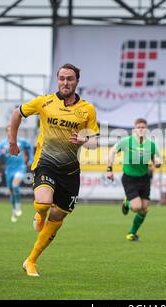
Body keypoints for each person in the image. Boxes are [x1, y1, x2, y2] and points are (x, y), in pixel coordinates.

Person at [9, 63, 99, 277]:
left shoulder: (87, 109)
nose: (65, 82)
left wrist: (83, 139)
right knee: (43, 203)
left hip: (70, 171)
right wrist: (12, 141)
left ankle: (31, 261)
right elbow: (17, 113)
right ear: (57, 80)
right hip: (46, 162)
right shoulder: (44, 102)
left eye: (70, 79)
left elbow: (94, 141)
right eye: (62, 78)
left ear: (77, 81)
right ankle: (39, 213)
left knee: (57, 218)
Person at [107, 118, 162, 241]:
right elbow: (112, 151)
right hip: (129, 178)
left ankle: (131, 233)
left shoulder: (151, 145)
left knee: (145, 209)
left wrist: (157, 163)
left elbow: (156, 159)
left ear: (146, 129)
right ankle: (126, 202)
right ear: (135, 129)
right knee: (137, 207)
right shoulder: (127, 141)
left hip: (144, 179)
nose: (141, 129)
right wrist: (109, 169)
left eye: (143, 127)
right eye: (139, 127)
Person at [0, 126, 34, 222]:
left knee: (15, 186)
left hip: (20, 168)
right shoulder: (3, 143)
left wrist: (31, 159)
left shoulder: (21, 141)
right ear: (6, 132)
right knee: (11, 192)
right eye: (9, 130)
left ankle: (18, 206)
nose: (11, 132)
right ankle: (14, 209)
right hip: (9, 170)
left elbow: (29, 147)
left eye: (12, 130)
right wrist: (3, 152)